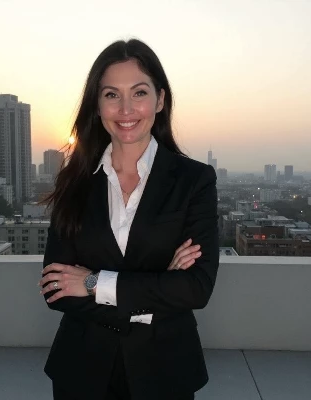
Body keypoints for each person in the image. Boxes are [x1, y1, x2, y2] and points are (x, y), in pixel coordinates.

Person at [39, 38, 219, 400]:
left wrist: (93, 282)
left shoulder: (194, 180)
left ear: (160, 100)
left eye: (139, 93)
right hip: (82, 368)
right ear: (97, 104)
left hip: (165, 368)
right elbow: (56, 288)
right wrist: (159, 289)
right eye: (111, 94)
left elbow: (196, 288)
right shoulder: (74, 180)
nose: (125, 109)